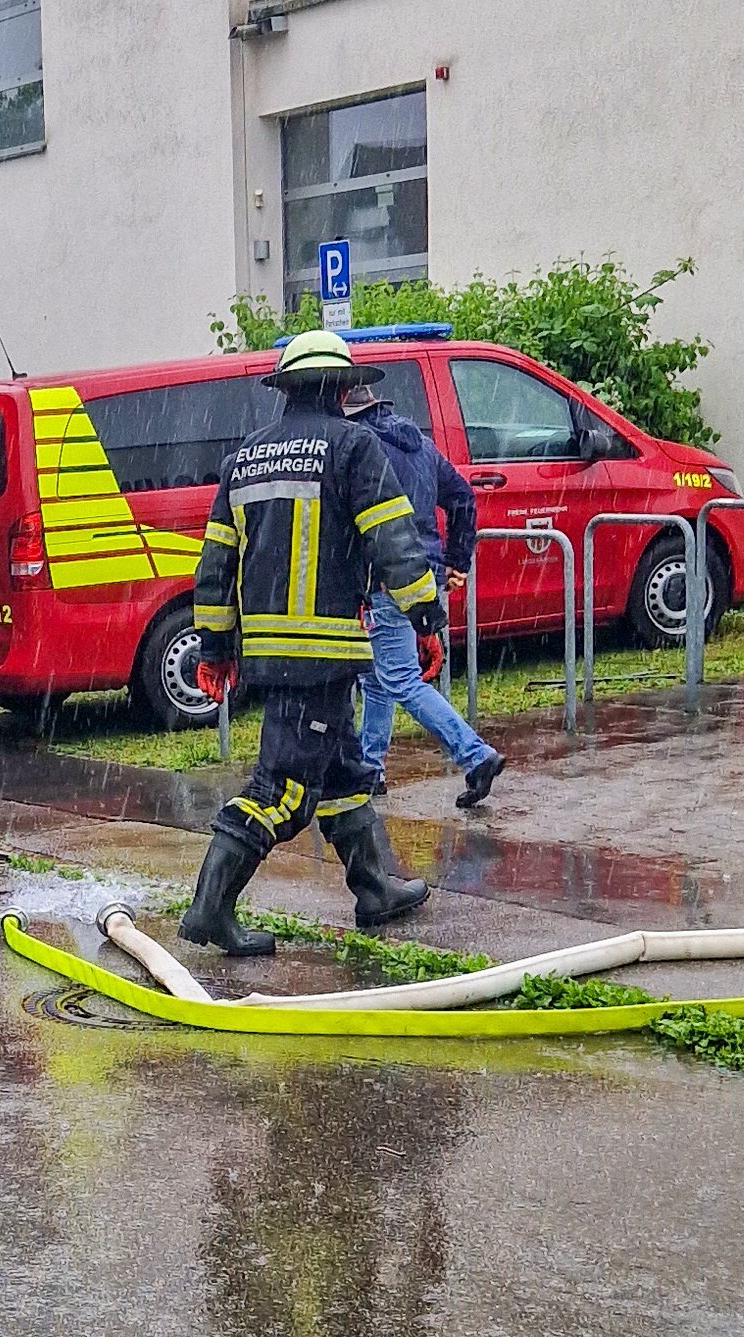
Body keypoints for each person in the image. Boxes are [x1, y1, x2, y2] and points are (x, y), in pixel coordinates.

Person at [180, 331, 450, 956]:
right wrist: (426, 618)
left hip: (270, 654)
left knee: (345, 772)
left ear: (286, 388)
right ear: (340, 386)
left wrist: (217, 647)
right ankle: (209, 909)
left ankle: (375, 887)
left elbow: (215, 564)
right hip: (323, 652)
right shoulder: (354, 446)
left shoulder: (244, 458)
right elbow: (394, 540)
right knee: (284, 791)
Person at [344, 380, 504, 811]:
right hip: (425, 573)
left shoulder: (361, 448)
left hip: (386, 575)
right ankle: (370, 768)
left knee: (400, 679)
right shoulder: (420, 446)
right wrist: (456, 561)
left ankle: (475, 755)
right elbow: (463, 498)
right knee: (377, 678)